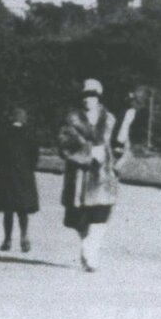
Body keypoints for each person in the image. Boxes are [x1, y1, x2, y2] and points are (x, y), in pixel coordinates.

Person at [58, 79, 129, 273]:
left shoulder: (111, 120)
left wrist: (117, 160)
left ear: (98, 98)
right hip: (80, 180)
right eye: (85, 96)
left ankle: (91, 254)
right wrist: (89, 153)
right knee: (80, 221)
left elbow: (121, 146)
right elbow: (65, 146)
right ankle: (87, 247)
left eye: (92, 95)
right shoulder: (71, 120)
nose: (88, 100)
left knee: (101, 216)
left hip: (103, 179)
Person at [0, 105, 41, 252]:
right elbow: (35, 157)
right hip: (24, 176)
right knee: (23, 211)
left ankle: (7, 239)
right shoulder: (30, 135)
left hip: (6, 176)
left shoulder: (2, 134)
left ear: (11, 119)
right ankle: (24, 237)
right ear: (24, 119)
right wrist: (29, 169)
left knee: (8, 211)